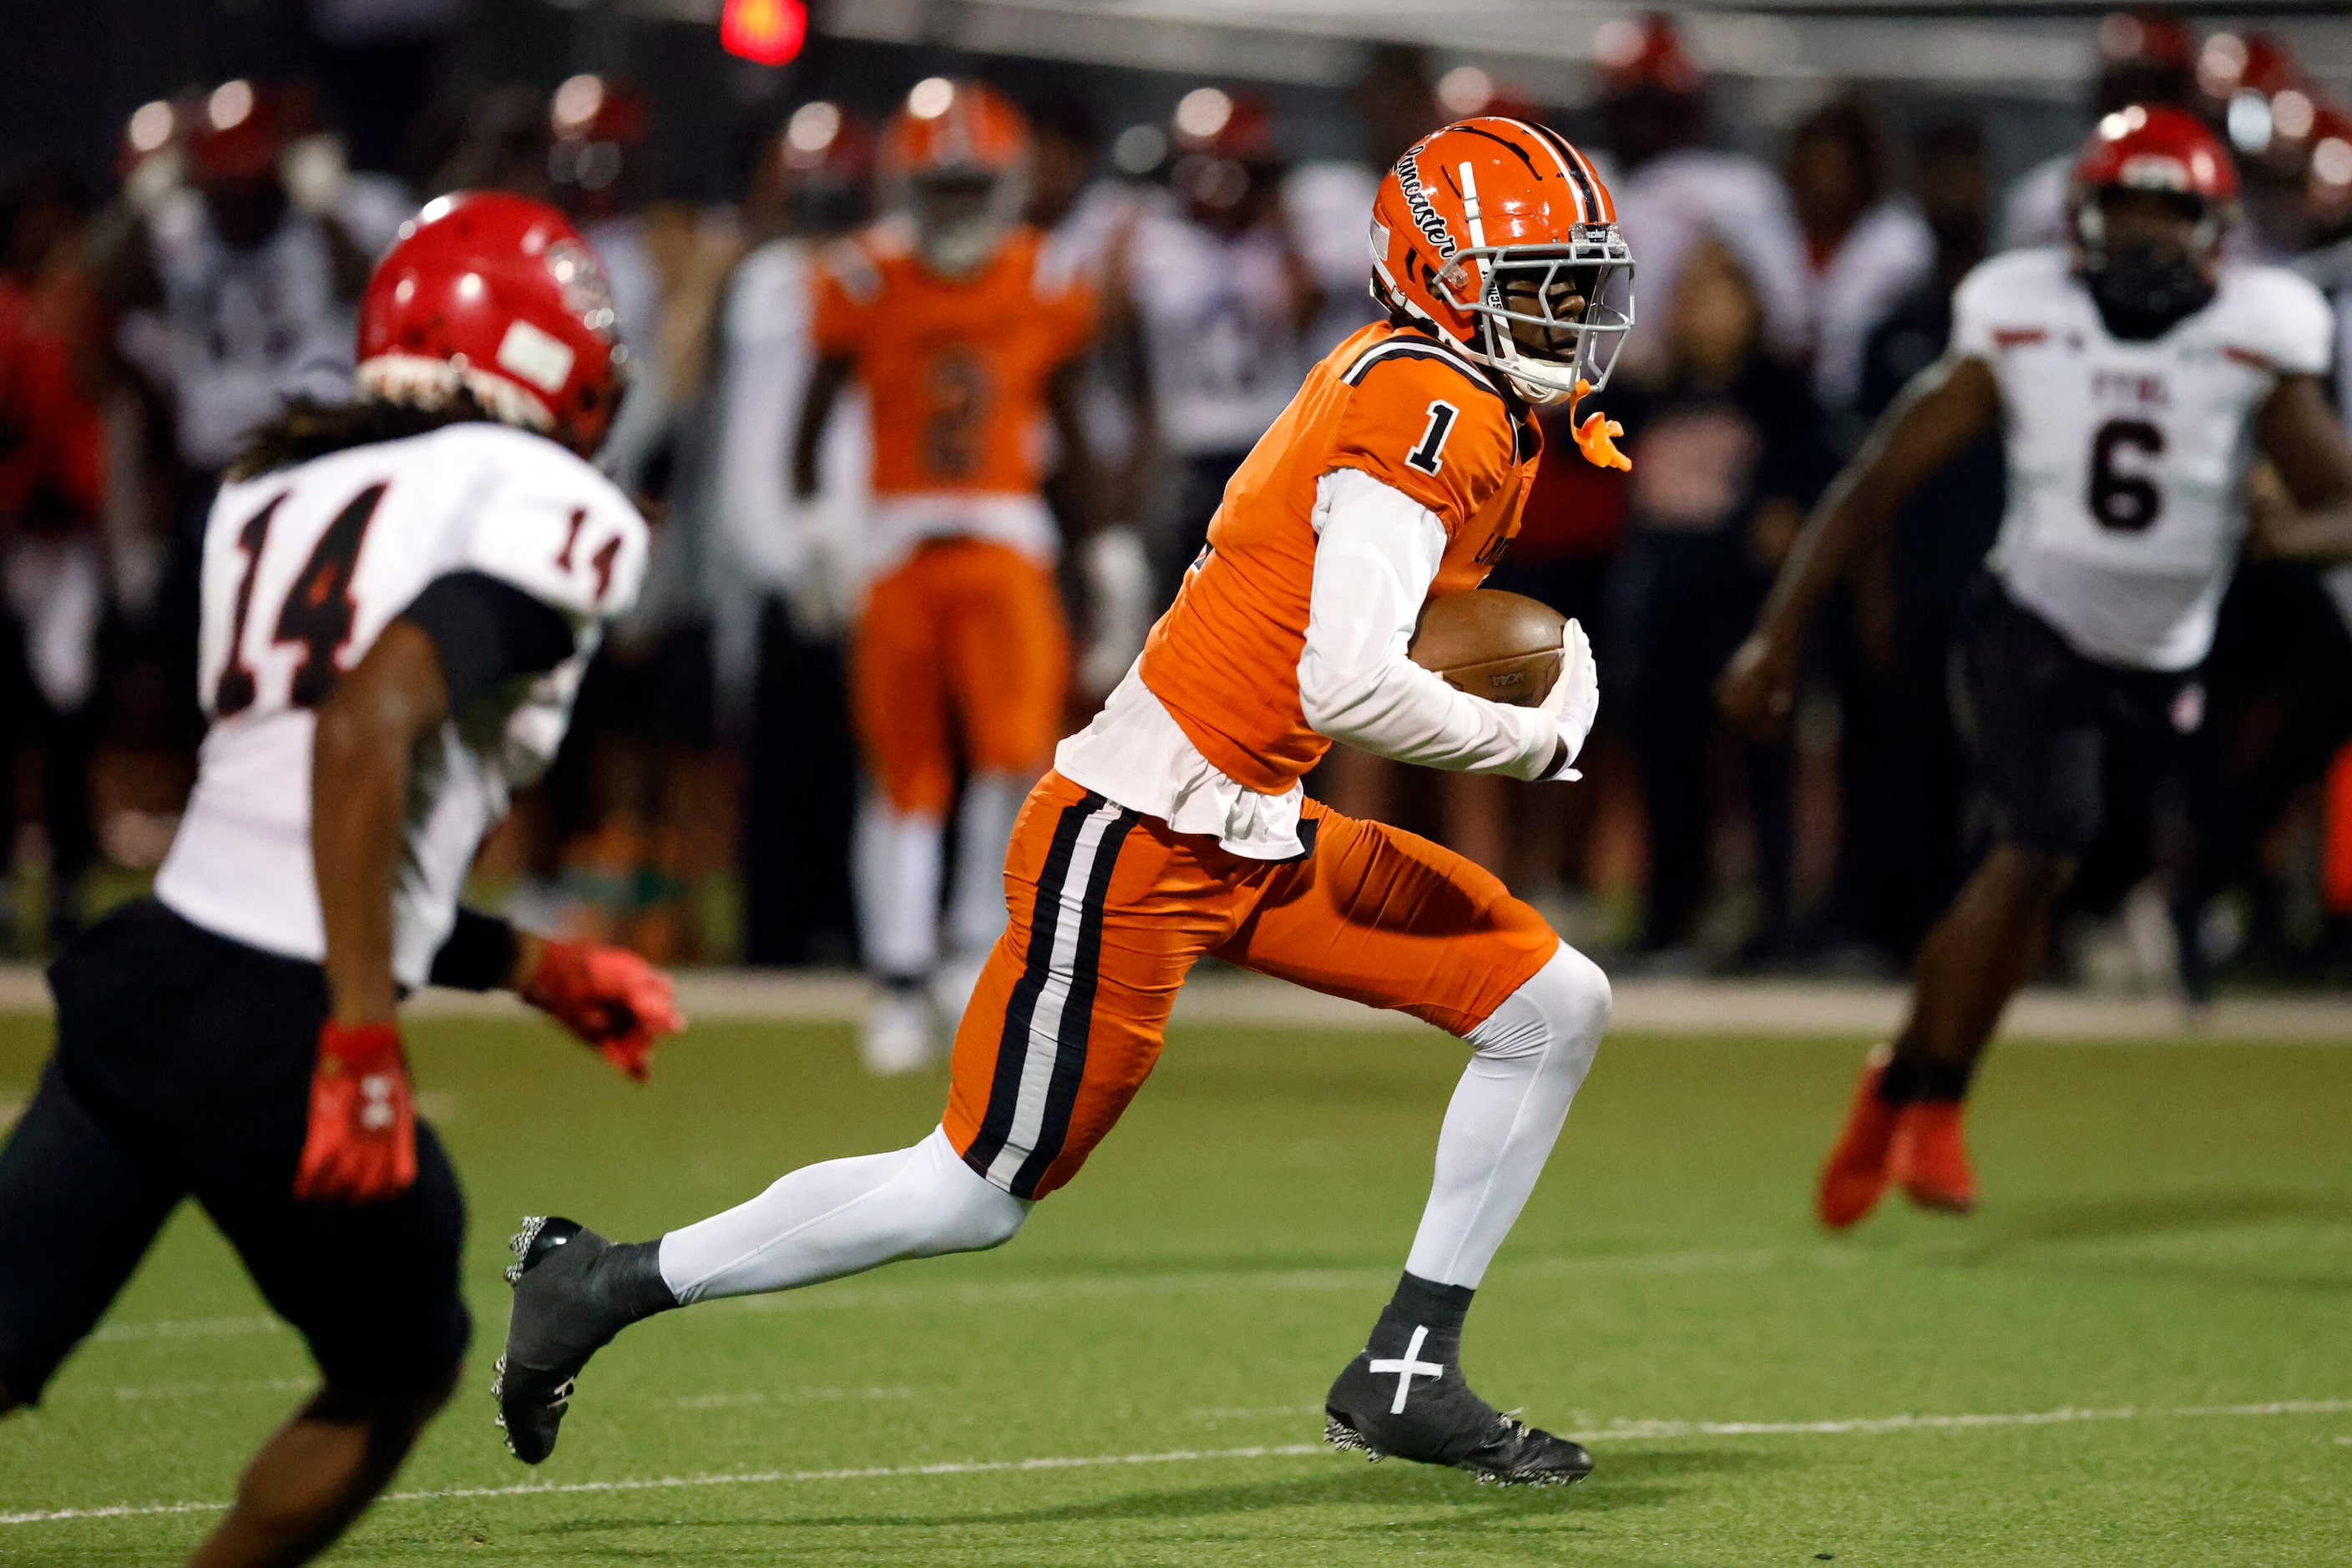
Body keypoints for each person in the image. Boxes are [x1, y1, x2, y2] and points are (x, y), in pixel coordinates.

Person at [497, 114, 1631, 1489]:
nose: (1572, 315)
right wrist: (1531, 736)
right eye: (1545, 284)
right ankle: (601, 1281)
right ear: (1442, 274)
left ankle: (1407, 1367)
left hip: (1251, 824)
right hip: (1139, 836)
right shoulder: (1422, 401)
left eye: (1582, 283)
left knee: (1548, 1003)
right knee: (969, 1191)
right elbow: (1345, 687)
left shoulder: (1452, 394)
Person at [0, 193, 685, 1566]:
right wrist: (362, 1037)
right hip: (291, 1024)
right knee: (404, 1356)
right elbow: (365, 733)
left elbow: (294, 831)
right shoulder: (541, 499)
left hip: (158, 974)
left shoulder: (269, 481)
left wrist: (524, 964)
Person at [1717, 106, 2352, 1226]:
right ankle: (1934, 1105)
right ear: (2083, 219)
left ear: (2212, 228)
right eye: (2127, 206)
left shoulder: (2264, 328)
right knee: (2037, 844)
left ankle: (1898, 1086)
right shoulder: (2023, 314)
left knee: (2041, 885)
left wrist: (2278, 539)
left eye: (2171, 210)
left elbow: (2339, 500)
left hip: (2164, 658)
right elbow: (1878, 477)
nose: (2149, 232)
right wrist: (1777, 629)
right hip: (2032, 623)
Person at [790, 79, 1105, 1073]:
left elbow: (1078, 427)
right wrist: (816, 529)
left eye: (976, 188)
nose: (962, 209)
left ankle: (975, 954)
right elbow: (810, 424)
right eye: (946, 187)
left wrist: (1105, 549)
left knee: (1015, 769)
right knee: (904, 782)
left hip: (1009, 541)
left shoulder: (1045, 277)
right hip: (897, 547)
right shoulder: (863, 278)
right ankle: (897, 974)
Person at [1608, 237, 1832, 962]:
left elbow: (1796, 507)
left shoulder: (1778, 394)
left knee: (1763, 765)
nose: (1700, 310)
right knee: (1665, 765)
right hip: (1662, 607)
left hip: (1743, 610)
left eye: (1717, 291)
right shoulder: (1650, 391)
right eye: (1689, 292)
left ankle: (1775, 921)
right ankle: (1671, 913)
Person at [705, 101, 873, 968]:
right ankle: (775, 934)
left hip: (862, 557)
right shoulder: (762, 281)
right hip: (780, 559)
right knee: (776, 763)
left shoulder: (879, 274)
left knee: (860, 767)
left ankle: (854, 929)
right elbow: (747, 433)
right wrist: (768, 546)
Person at [1109, 89, 1322, 604]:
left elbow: (1307, 307)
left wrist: (1273, 207)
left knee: (1270, 598)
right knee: (1179, 599)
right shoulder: (1157, 241)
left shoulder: (1276, 241)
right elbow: (1114, 324)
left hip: (1269, 441)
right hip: (1188, 447)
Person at [1999, 13, 2198, 253]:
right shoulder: (2044, 198)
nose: (2140, 106)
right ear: (2101, 93)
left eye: (2158, 87)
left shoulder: (2214, 189)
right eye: (2125, 85)